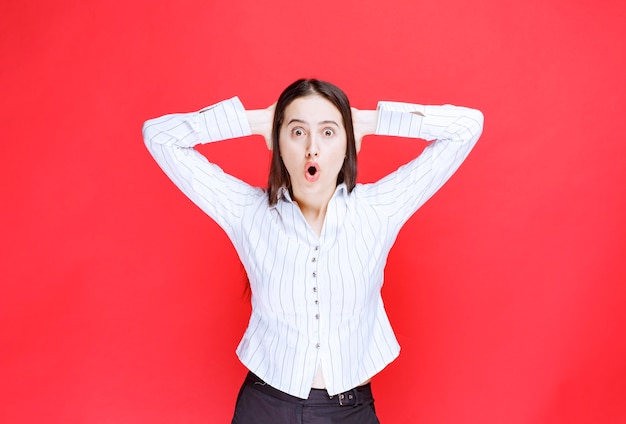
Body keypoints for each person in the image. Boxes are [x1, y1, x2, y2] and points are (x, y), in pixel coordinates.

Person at [142, 78, 484, 423]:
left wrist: (370, 121)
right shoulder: (247, 212)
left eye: (328, 133)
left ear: (348, 144)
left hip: (350, 411)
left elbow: (467, 127)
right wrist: (257, 121)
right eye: (297, 132)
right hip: (265, 406)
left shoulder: (380, 209)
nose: (312, 149)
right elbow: (158, 135)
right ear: (278, 142)